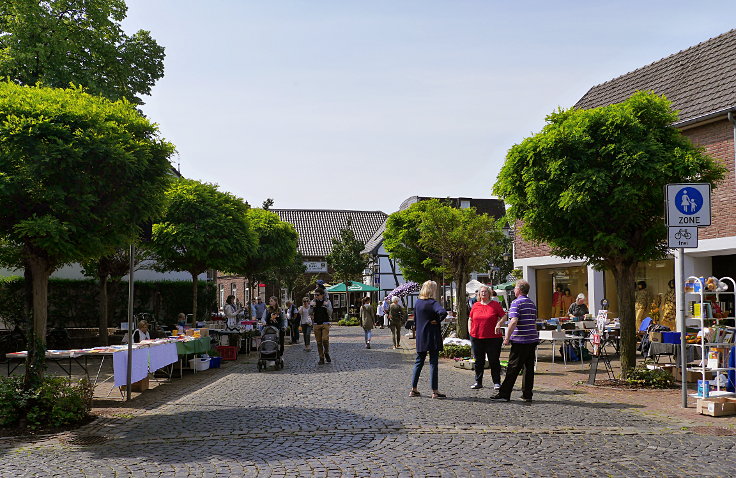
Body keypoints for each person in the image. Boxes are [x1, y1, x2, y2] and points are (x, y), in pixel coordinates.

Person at [492, 279, 539, 402]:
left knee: (513, 367)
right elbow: (533, 321)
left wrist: (507, 337)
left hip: (521, 339)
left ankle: (504, 393)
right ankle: (527, 394)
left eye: (515, 288)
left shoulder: (516, 303)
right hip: (532, 338)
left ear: (519, 290)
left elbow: (513, 321)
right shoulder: (531, 303)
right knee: (528, 369)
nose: (514, 290)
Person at [409, 280, 448, 399]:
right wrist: (437, 321)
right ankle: (435, 391)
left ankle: (413, 389)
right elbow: (443, 312)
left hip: (421, 336)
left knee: (419, 362)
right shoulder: (432, 303)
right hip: (432, 335)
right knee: (433, 363)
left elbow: (415, 320)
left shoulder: (418, 303)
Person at [469, 285, 507, 391]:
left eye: (485, 292)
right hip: (477, 337)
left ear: (489, 293)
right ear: (479, 294)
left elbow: (504, 316)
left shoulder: (495, 305)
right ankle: (478, 381)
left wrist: (499, 324)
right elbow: (470, 318)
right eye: (481, 292)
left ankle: (496, 382)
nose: (483, 293)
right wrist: (470, 331)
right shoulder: (475, 305)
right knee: (478, 361)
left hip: (493, 338)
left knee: (494, 360)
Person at [309, 289, 333, 364]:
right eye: (315, 295)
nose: (316, 296)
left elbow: (330, 312)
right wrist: (311, 306)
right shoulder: (313, 302)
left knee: (325, 339)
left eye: (317, 295)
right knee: (319, 342)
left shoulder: (327, 302)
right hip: (316, 324)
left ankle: (326, 352)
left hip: (325, 323)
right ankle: (321, 357)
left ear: (322, 295)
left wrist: (326, 306)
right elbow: (310, 313)